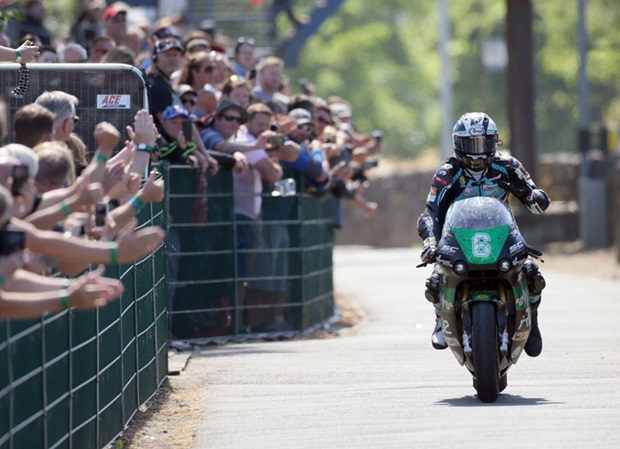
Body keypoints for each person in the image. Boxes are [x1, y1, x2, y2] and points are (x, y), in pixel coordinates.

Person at [417, 112, 550, 357]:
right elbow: (431, 212)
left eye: (483, 144)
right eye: (471, 145)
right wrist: (431, 242)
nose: (477, 153)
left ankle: (533, 323)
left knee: (532, 274)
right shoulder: (446, 173)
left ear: (494, 143)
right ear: (458, 145)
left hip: (503, 234)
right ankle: (440, 318)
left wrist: (535, 198)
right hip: (458, 237)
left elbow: (531, 196)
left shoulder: (509, 166)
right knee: (435, 279)